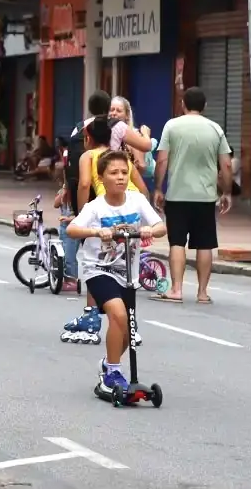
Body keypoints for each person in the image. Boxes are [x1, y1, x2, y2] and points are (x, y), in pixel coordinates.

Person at [67, 150, 165, 397]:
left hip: (127, 273)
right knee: (118, 315)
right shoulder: (95, 207)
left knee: (127, 332)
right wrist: (97, 232)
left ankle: (108, 364)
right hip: (98, 269)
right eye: (114, 173)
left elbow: (161, 226)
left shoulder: (137, 201)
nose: (120, 177)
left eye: (124, 172)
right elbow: (72, 229)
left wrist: (148, 230)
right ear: (101, 178)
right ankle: (112, 372)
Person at [61, 118, 150, 343]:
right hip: (130, 210)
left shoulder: (88, 156)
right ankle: (129, 319)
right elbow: (142, 189)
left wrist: (82, 215)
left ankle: (92, 315)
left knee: (97, 261)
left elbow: (83, 184)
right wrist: (142, 214)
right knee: (123, 264)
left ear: (87, 138)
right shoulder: (119, 159)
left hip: (108, 210)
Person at [153, 87, 233, 305]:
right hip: (206, 197)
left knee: (177, 242)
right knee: (205, 244)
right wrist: (226, 191)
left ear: (183, 104)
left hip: (177, 196)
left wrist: (158, 188)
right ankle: (202, 293)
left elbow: (161, 160)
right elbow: (226, 163)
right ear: (204, 106)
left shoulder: (172, 126)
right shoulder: (215, 129)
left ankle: (176, 290)